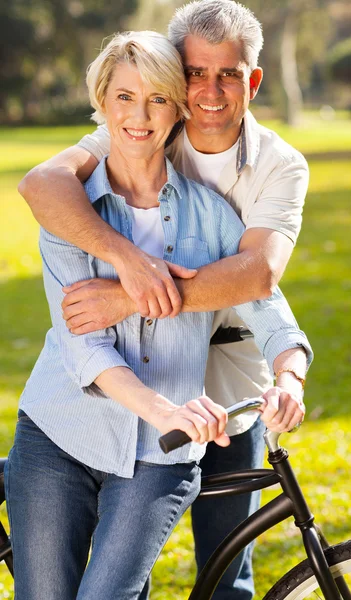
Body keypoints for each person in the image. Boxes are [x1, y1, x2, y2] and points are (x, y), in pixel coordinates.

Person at [18, 2, 311, 598]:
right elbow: (84, 345)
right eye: (125, 98)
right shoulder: (86, 189)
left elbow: (262, 290)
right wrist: (130, 262)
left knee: (218, 574)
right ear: (103, 105)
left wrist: (137, 295)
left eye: (226, 73)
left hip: (198, 414)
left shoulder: (239, 196)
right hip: (81, 422)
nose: (208, 91)